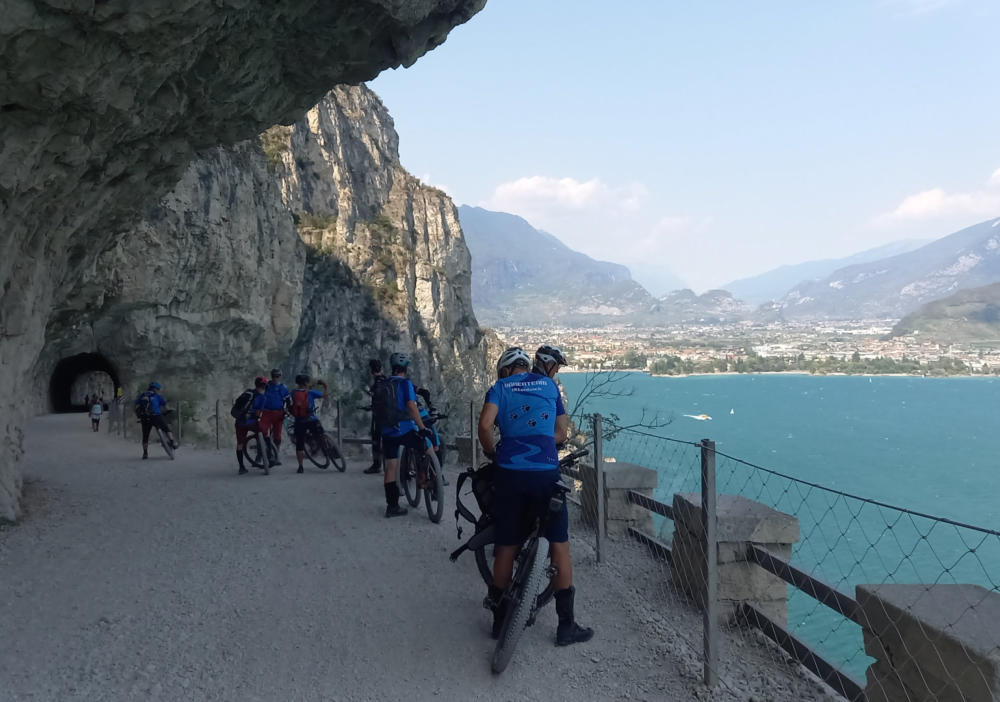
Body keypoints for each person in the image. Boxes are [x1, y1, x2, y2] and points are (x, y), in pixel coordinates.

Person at [478, 347, 593, 647]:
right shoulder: (548, 386)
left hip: (510, 475)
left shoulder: (499, 388)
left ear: (505, 370)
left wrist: (493, 452)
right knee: (559, 546)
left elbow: (485, 426)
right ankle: (566, 626)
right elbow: (562, 433)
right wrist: (540, 439)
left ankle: (499, 619)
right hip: (545, 474)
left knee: (506, 546)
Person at [379, 352, 435, 518]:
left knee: (391, 466)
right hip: (404, 430)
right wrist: (422, 427)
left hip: (387, 431)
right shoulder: (405, 383)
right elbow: (411, 405)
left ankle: (392, 506)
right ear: (406, 368)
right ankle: (423, 478)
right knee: (426, 447)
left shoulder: (384, 383)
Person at [289, 373, 328, 474]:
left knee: (299, 444)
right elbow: (324, 395)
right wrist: (325, 385)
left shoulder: (293, 393)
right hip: (311, 420)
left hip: (299, 421)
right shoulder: (311, 393)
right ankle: (325, 449)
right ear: (306, 383)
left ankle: (300, 466)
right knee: (321, 434)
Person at [134, 382, 178, 459]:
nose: (158, 390)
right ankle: (172, 442)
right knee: (166, 428)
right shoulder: (157, 396)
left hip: (145, 418)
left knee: (145, 436)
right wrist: (168, 410)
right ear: (155, 389)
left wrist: (138, 416)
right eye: (158, 389)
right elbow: (164, 405)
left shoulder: (142, 395)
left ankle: (145, 453)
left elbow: (135, 404)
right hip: (156, 416)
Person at [235, 376, 268, 475]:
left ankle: (241, 467)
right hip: (251, 422)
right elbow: (258, 414)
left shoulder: (247, 392)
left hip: (239, 422)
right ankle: (268, 455)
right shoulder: (262, 397)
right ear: (264, 386)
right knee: (263, 433)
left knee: (239, 444)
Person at [259, 368, 289, 467]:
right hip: (266, 412)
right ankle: (260, 453)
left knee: (277, 436)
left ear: (280, 377)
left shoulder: (283, 387)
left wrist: (287, 410)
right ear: (271, 376)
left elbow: (288, 400)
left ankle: (276, 455)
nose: (275, 378)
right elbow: (259, 394)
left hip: (278, 413)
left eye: (277, 376)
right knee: (262, 431)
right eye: (273, 376)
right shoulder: (266, 385)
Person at [364, 359, 384, 475]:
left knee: (376, 441)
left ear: (371, 370)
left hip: (378, 416)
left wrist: (370, 407)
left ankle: (376, 465)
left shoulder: (376, 383)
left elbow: (376, 400)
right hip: (389, 416)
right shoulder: (386, 379)